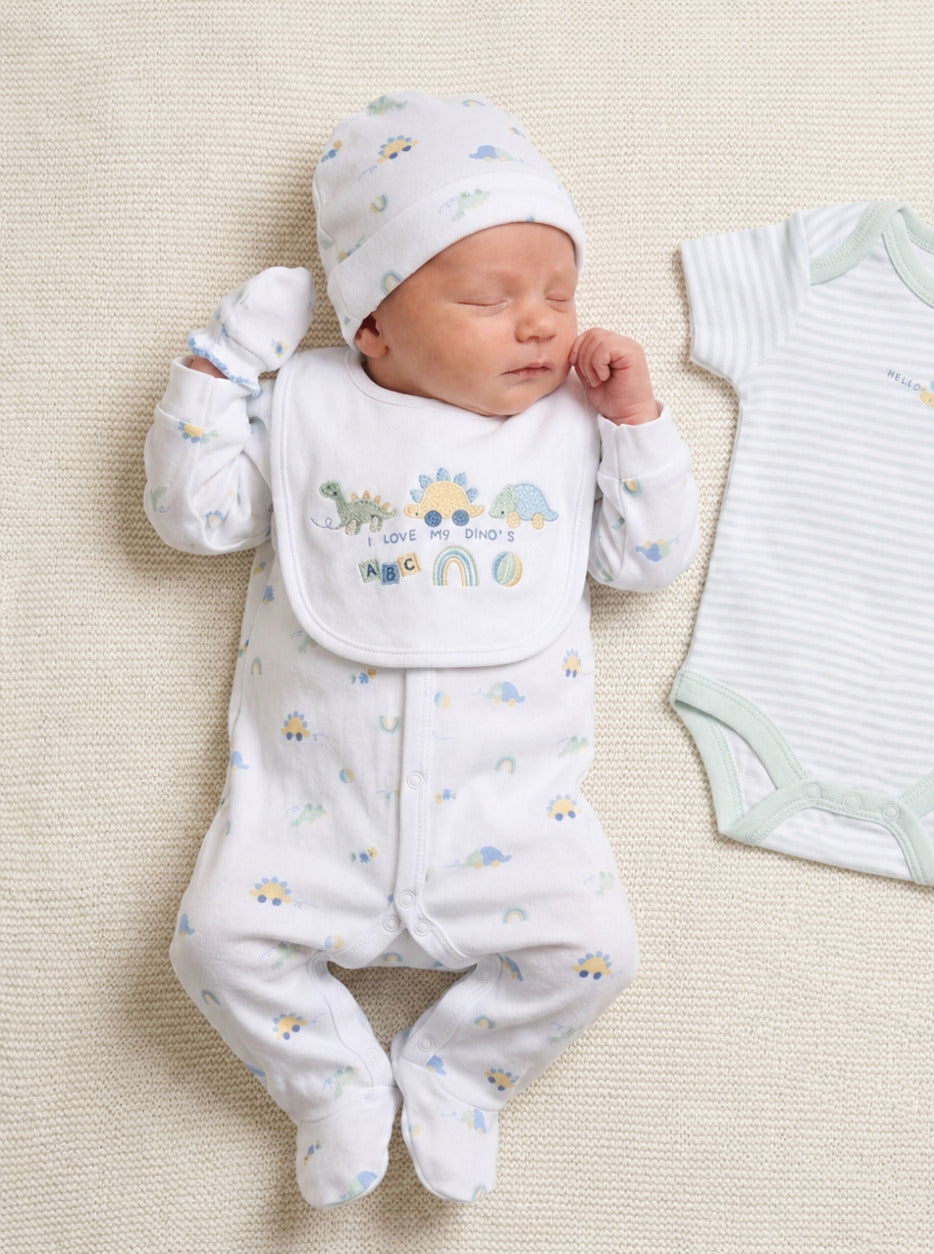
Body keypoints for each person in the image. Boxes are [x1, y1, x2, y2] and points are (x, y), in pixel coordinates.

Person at [144, 90, 699, 1208]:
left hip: (509, 824)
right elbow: (191, 515)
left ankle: (458, 1072)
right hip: (307, 823)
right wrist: (217, 370)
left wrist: (639, 420)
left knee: (598, 953)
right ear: (373, 324)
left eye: (558, 292)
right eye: (491, 298)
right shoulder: (307, 415)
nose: (542, 322)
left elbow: (646, 559)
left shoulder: (571, 432)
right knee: (211, 947)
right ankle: (333, 1081)